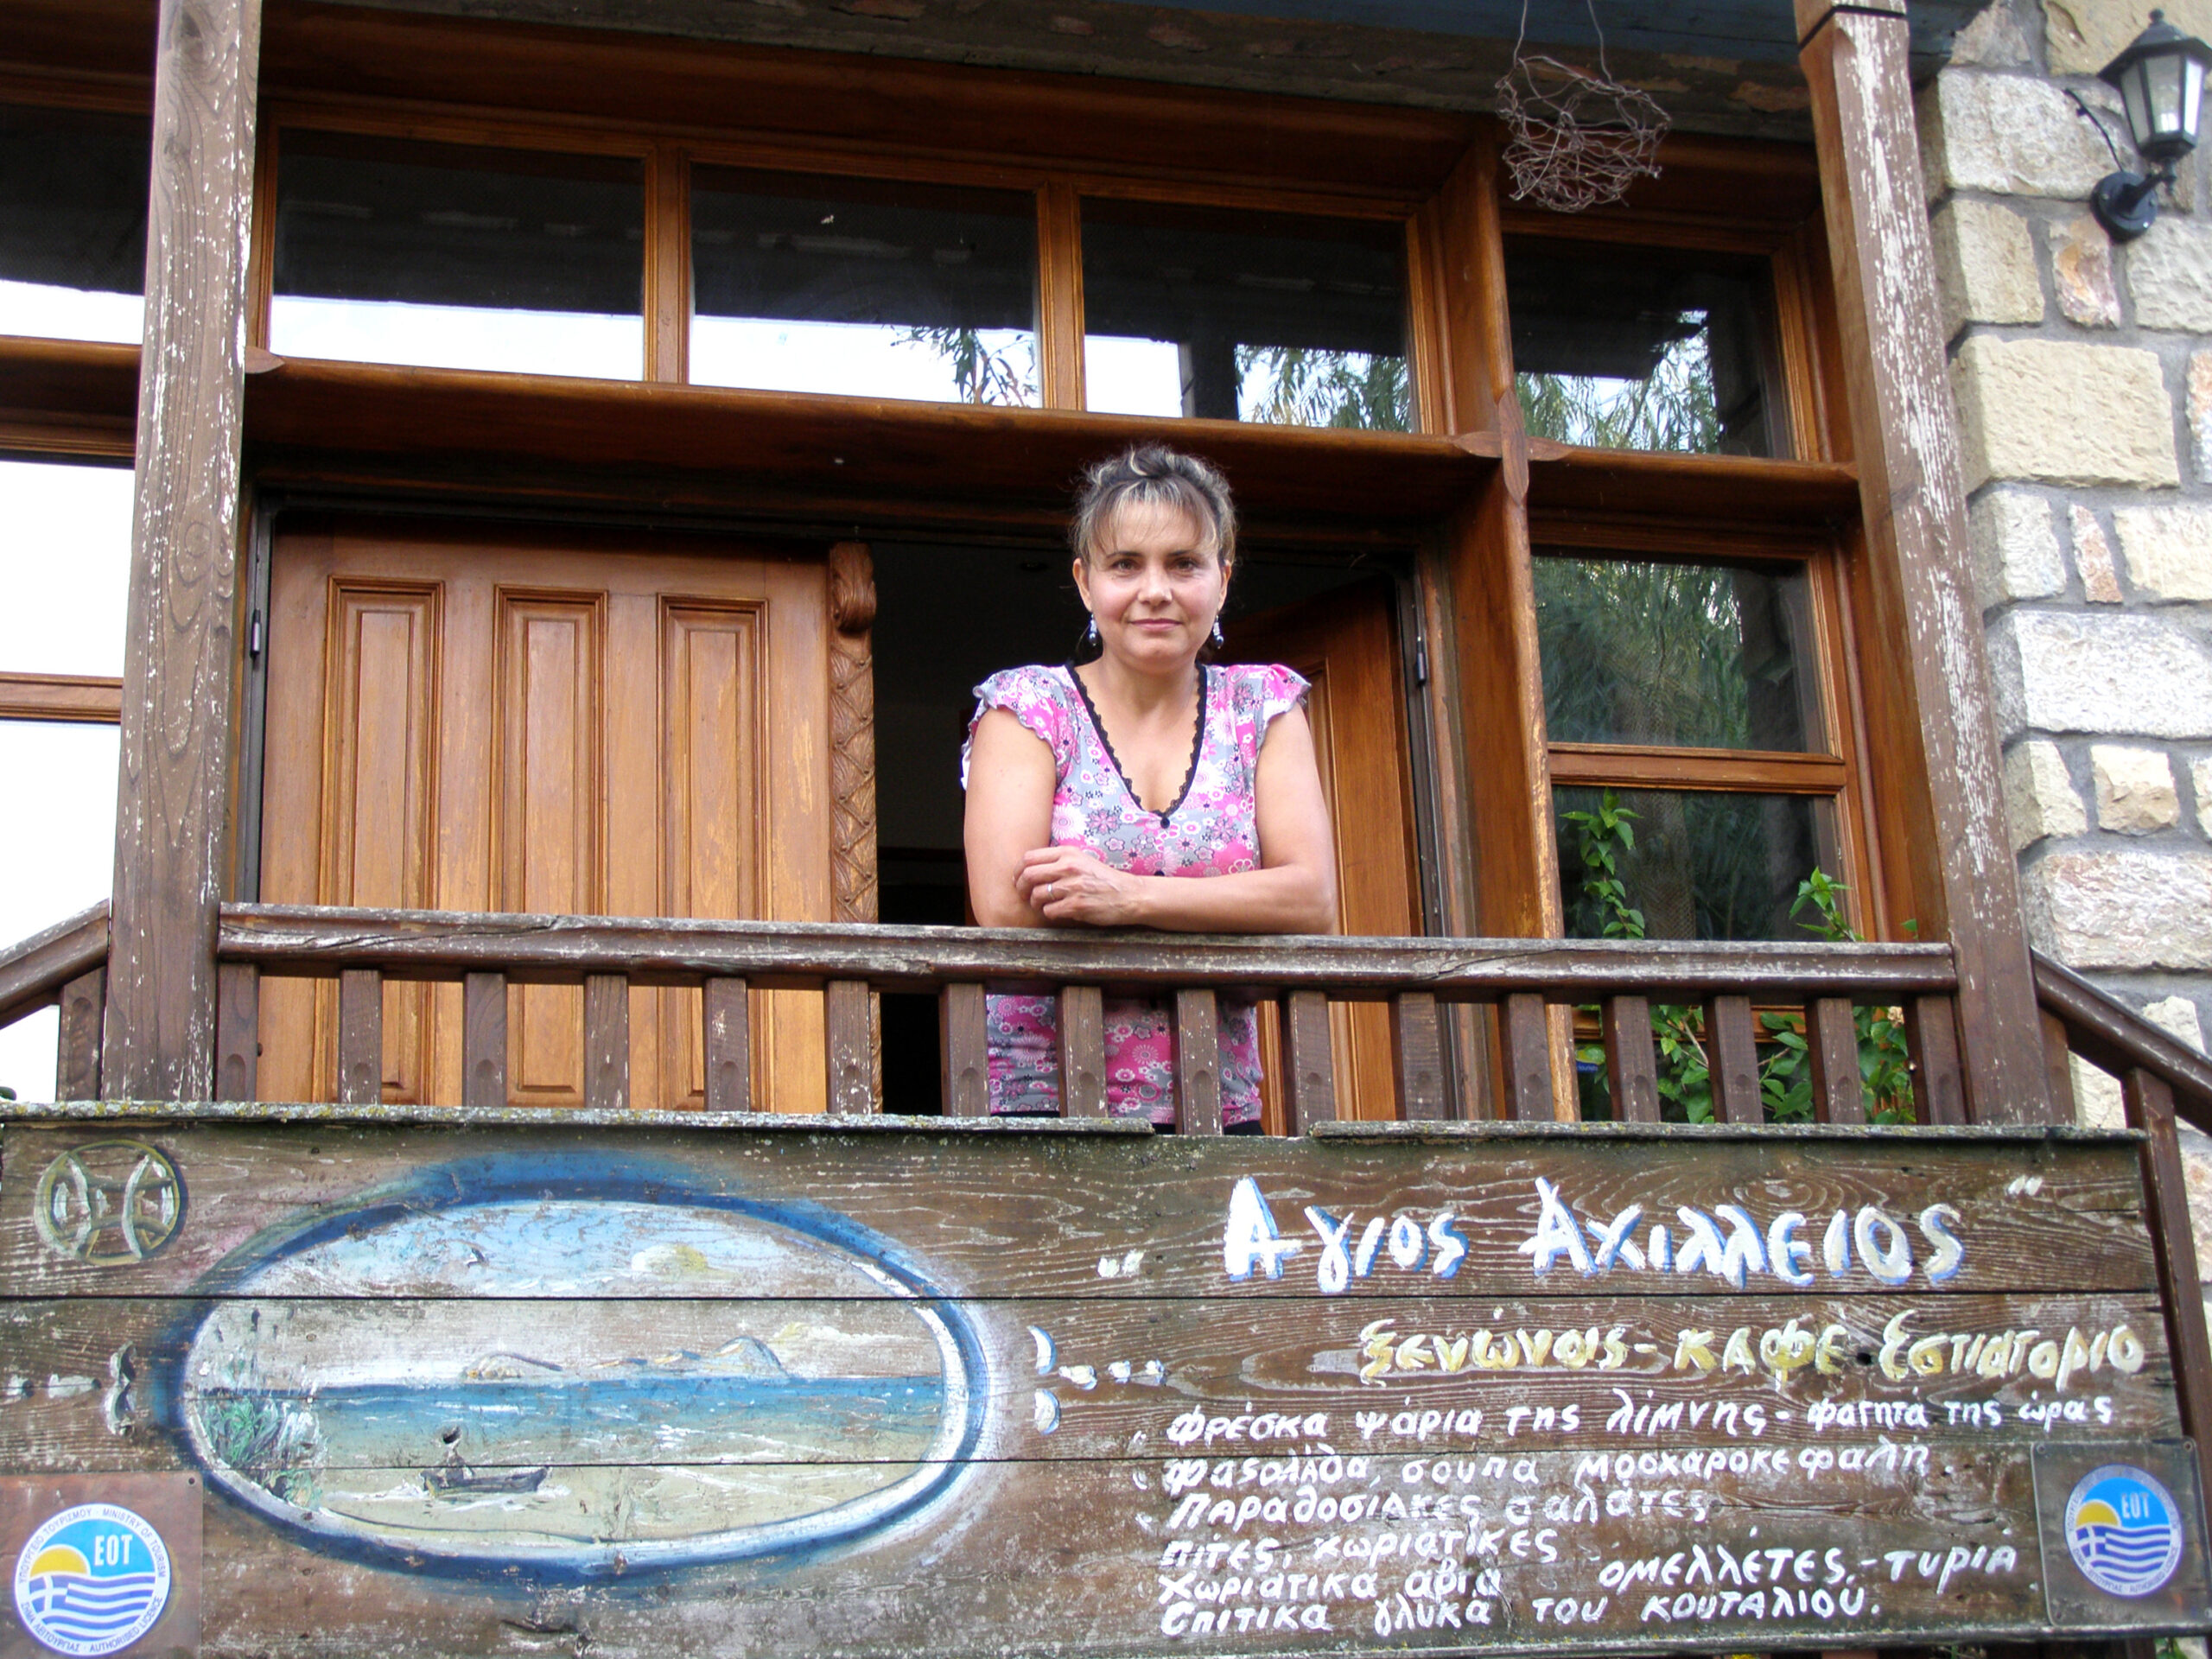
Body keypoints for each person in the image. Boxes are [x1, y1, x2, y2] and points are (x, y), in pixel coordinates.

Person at [960, 445, 1338, 1129]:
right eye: (1126, 564)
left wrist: (1126, 895)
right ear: (1085, 582)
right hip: (1045, 1101)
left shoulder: (1263, 706)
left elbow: (1311, 898)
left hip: (1218, 1103)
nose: (1155, 589)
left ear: (1223, 579)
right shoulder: (1028, 707)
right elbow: (1008, 906)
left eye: (1184, 563)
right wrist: (1225, 909)